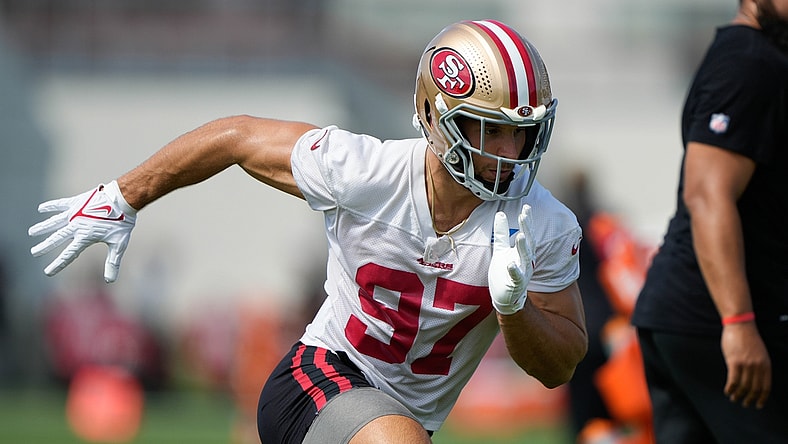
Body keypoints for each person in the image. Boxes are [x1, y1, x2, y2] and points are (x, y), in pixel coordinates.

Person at [29, 20, 588, 444]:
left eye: (523, 133)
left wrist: (515, 308)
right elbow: (236, 137)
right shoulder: (367, 172)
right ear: (438, 115)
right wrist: (125, 194)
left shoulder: (542, 224)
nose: (510, 154)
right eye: (491, 131)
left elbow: (559, 366)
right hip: (318, 379)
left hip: (400, 425)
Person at [631, 1, 788, 442]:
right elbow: (707, 194)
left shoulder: (758, 57)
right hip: (716, 323)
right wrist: (738, 323)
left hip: (690, 318)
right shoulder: (749, 61)